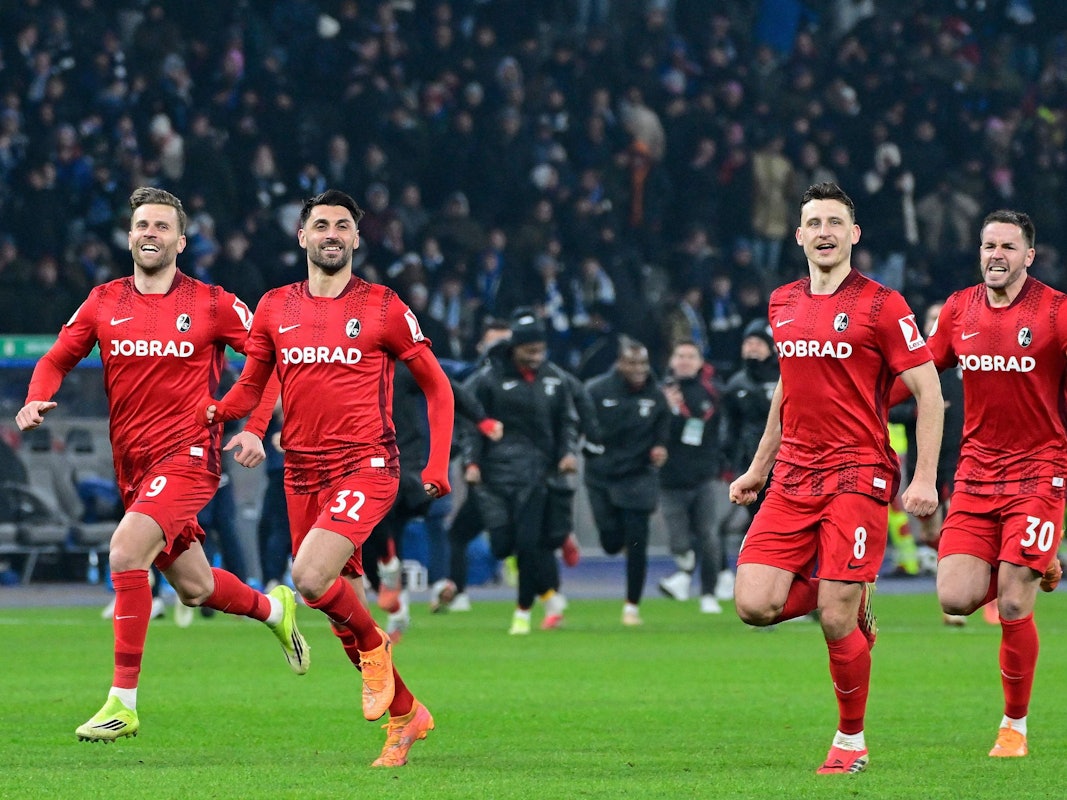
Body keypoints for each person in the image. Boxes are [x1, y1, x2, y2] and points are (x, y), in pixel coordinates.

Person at [15, 187, 308, 743]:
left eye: (161, 226)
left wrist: (253, 426)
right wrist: (35, 396)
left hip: (191, 454)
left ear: (180, 239)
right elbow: (57, 358)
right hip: (134, 464)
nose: (150, 233)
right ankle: (275, 610)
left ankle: (122, 703)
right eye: (141, 225)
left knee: (125, 551)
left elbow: (270, 358)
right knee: (195, 587)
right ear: (129, 236)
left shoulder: (214, 304)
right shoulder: (103, 302)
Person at [201, 189, 455, 767]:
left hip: (367, 463)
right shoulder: (272, 307)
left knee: (310, 577)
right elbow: (257, 384)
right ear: (302, 237)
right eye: (321, 225)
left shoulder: (385, 306)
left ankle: (376, 647)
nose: (332, 233)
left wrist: (436, 462)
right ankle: (406, 715)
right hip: (300, 471)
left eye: (343, 225)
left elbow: (437, 386)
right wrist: (226, 418)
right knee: (339, 608)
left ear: (358, 239)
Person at [728, 182, 943, 775]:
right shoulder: (782, 302)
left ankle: (851, 743)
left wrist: (924, 478)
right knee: (753, 604)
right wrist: (757, 467)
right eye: (814, 222)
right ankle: (847, 589)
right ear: (798, 236)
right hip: (794, 472)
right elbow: (786, 390)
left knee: (834, 619)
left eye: (835, 223)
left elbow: (929, 390)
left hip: (859, 470)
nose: (824, 232)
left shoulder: (883, 304)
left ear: (854, 235)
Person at [892, 210, 1065, 758]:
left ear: (1029, 256)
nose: (996, 255)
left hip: (1040, 472)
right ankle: (1037, 561)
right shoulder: (958, 309)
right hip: (976, 473)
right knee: (956, 597)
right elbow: (921, 371)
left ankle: (1014, 727)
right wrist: (864, 398)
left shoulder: (1057, 313)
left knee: (1013, 605)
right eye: (989, 245)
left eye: (1008, 247)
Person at [462, 308, 580, 634]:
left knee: (530, 544)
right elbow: (473, 424)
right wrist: (471, 462)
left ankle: (523, 612)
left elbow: (566, 421)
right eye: (530, 350)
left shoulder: (554, 379)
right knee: (502, 545)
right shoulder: (488, 379)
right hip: (495, 474)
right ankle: (549, 596)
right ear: (515, 348)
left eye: (540, 350)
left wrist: (567, 453)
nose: (536, 357)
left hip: (538, 475)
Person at [584, 336, 670, 626]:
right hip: (602, 475)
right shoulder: (596, 391)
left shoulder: (656, 395)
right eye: (632, 362)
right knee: (610, 542)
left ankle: (632, 606)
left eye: (643, 363)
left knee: (637, 543)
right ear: (620, 363)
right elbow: (581, 425)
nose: (638, 368)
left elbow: (663, 429)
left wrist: (660, 448)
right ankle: (613, 536)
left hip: (638, 475)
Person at [657, 339, 728, 614]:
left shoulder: (712, 392)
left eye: (690, 356)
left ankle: (708, 593)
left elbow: (720, 427)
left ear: (700, 362)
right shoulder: (661, 392)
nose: (685, 360)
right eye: (680, 355)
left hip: (704, 475)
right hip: (670, 477)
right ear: (672, 361)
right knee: (679, 541)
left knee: (708, 535)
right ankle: (684, 571)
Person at [716, 319, 781, 600]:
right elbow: (729, 427)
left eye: (757, 343)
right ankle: (765, 592)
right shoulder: (736, 384)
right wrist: (726, 459)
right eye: (747, 344)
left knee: (782, 529)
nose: (751, 349)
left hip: (786, 466)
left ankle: (789, 590)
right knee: (761, 528)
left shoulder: (784, 376)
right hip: (750, 468)